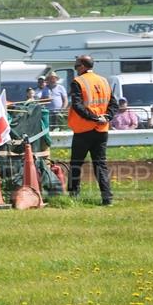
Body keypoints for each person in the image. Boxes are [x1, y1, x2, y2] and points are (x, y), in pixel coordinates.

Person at [67, 55, 117, 206]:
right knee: (100, 164)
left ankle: (73, 197)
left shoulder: (78, 82)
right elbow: (113, 104)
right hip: (102, 129)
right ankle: (107, 198)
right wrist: (106, 117)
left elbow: (78, 105)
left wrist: (94, 118)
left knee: (76, 163)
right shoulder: (103, 81)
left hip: (83, 129)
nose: (76, 69)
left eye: (76, 66)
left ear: (82, 66)